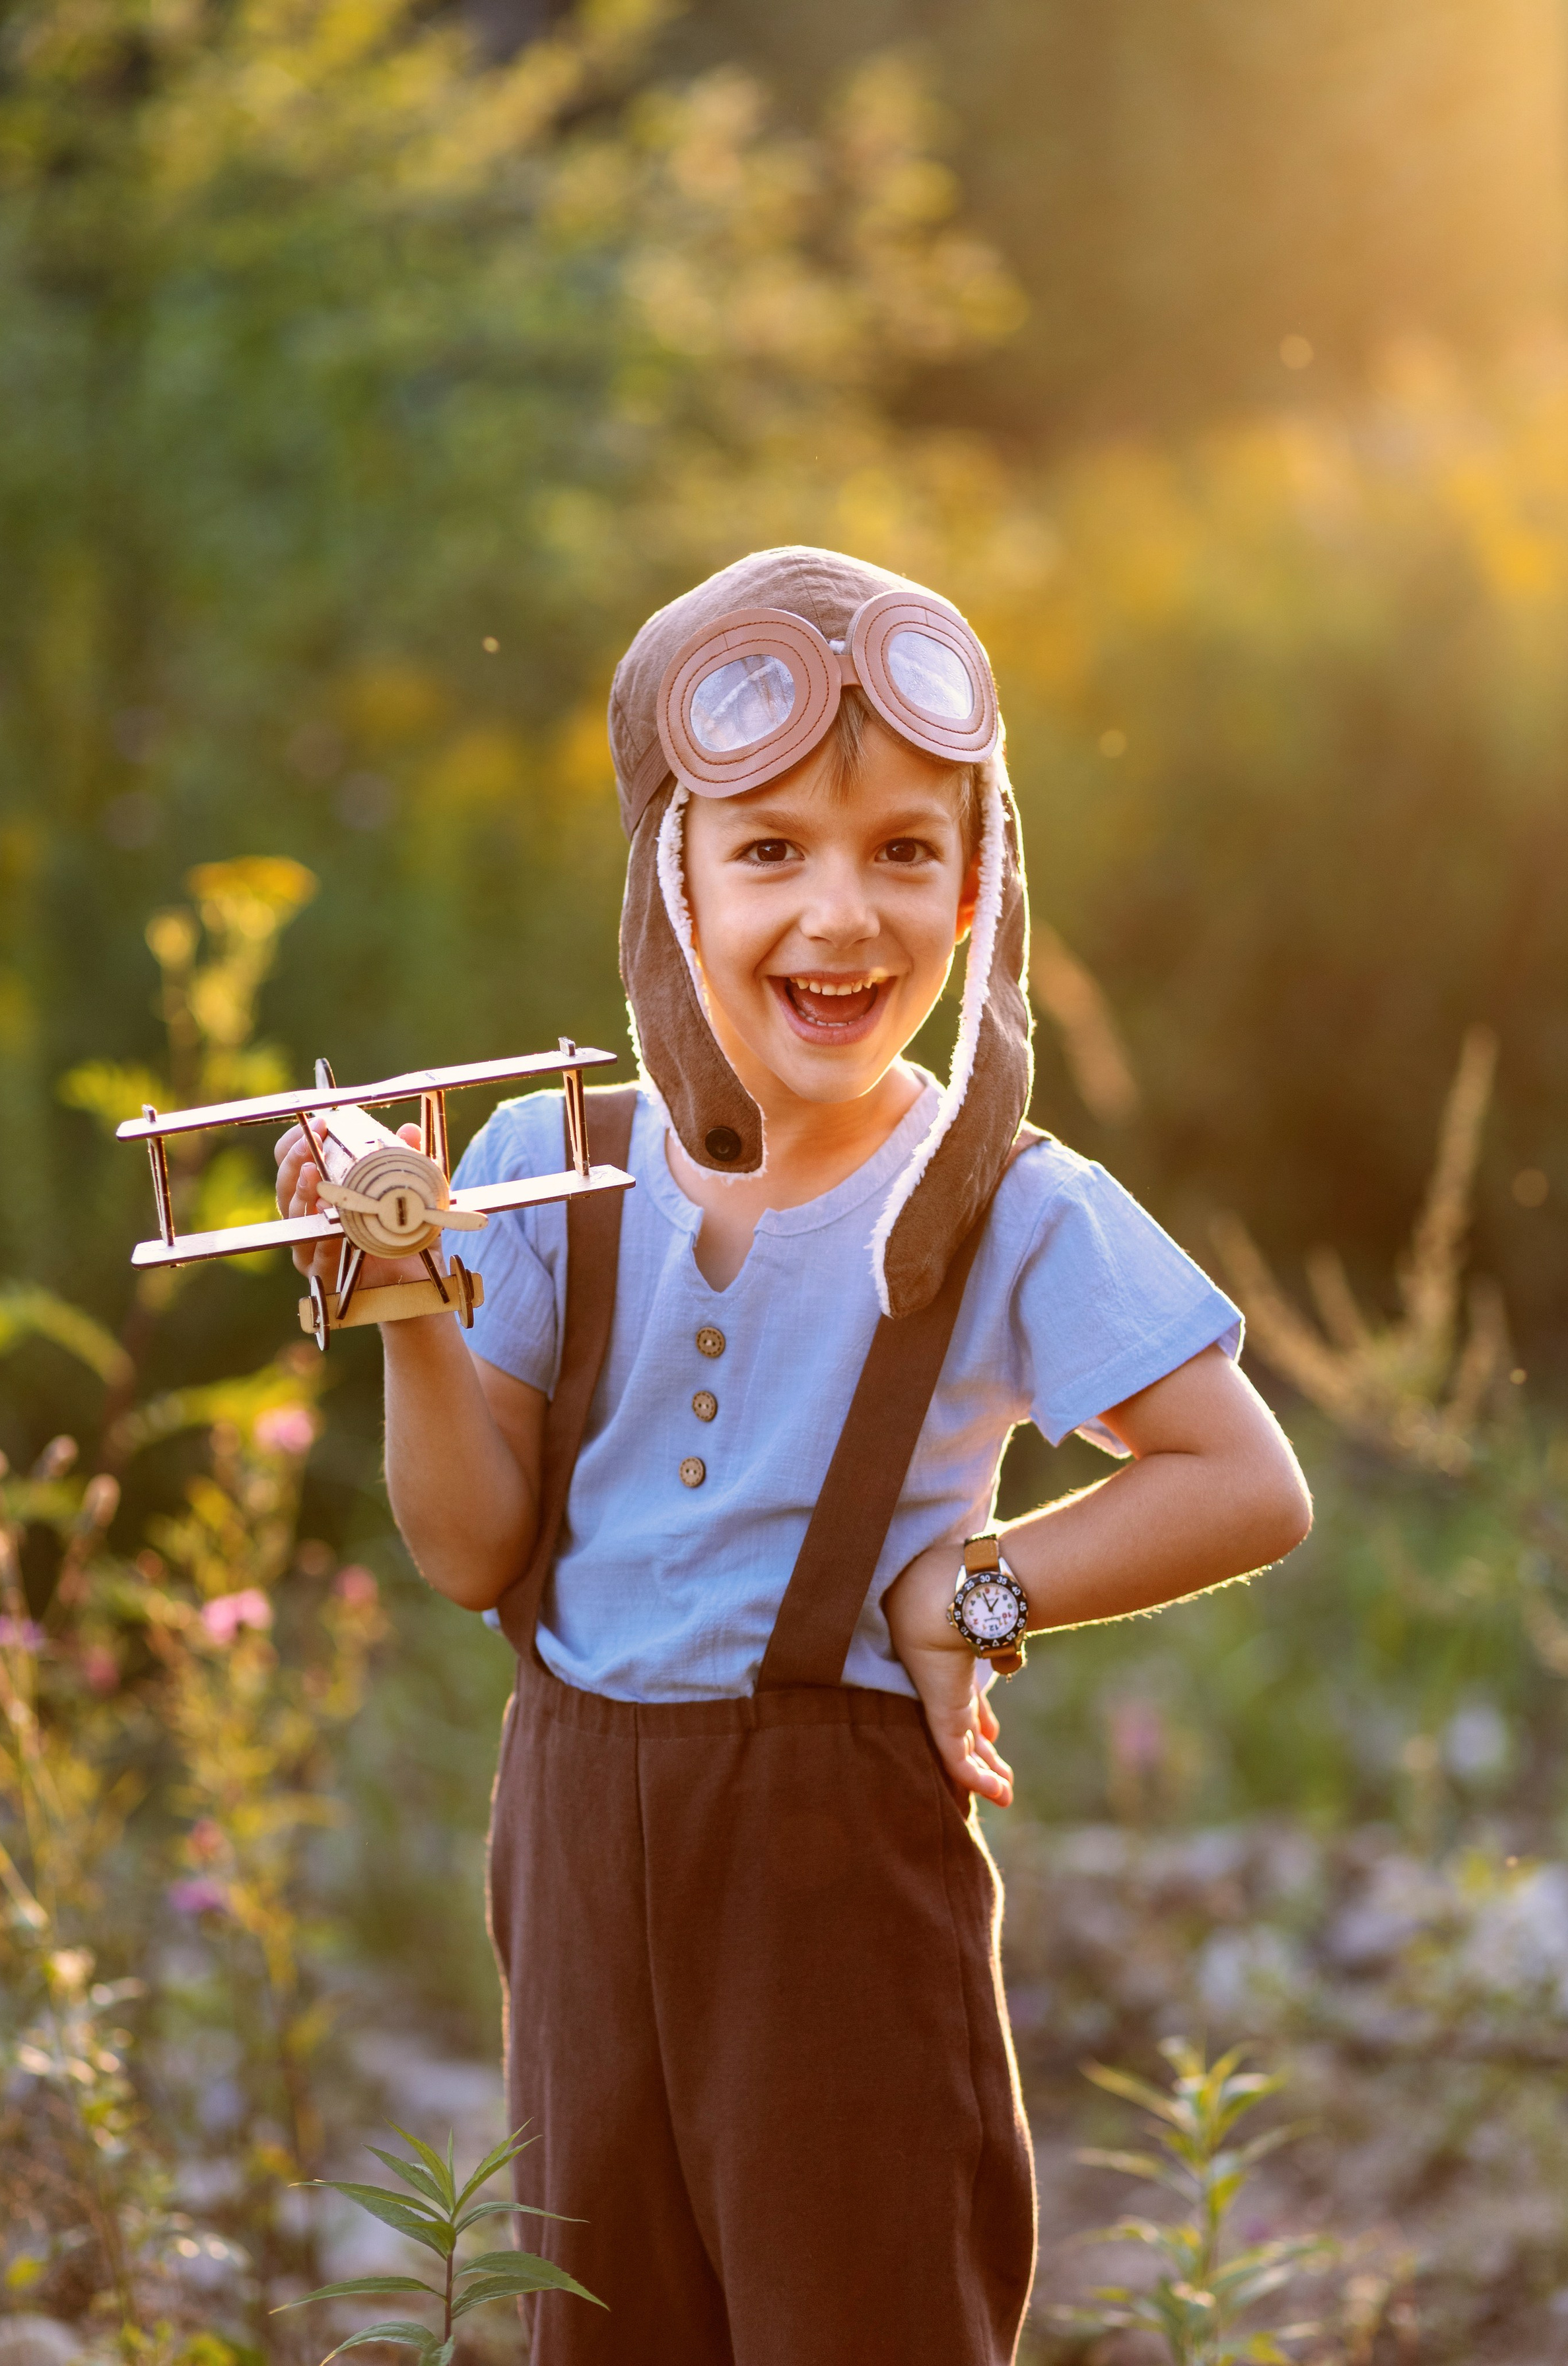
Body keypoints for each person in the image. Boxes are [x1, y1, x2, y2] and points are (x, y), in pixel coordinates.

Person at [273, 547, 1312, 2366]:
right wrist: (411, 1306)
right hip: (577, 1855)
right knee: (606, 2321)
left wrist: (967, 1589)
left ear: (979, 883)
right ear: (669, 876)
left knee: (869, 2314)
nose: (843, 915)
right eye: (769, 850)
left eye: (903, 849)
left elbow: (1246, 1483)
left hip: (838, 1895)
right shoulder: (544, 1167)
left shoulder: (1008, 1204)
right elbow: (467, 1549)